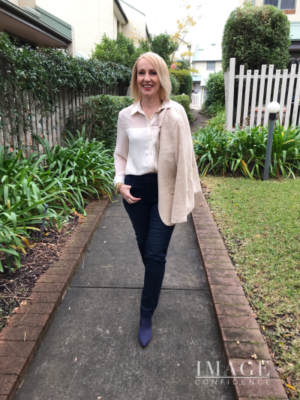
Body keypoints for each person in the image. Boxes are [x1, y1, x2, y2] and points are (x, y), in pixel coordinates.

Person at [113, 52, 201, 348]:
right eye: (141, 73)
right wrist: (119, 184)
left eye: (152, 72)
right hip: (135, 189)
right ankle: (154, 281)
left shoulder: (174, 112)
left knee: (154, 255)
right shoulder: (126, 115)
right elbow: (120, 154)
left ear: (161, 76)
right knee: (145, 247)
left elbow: (186, 156)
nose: (146, 78)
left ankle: (145, 314)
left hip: (166, 188)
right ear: (135, 78)